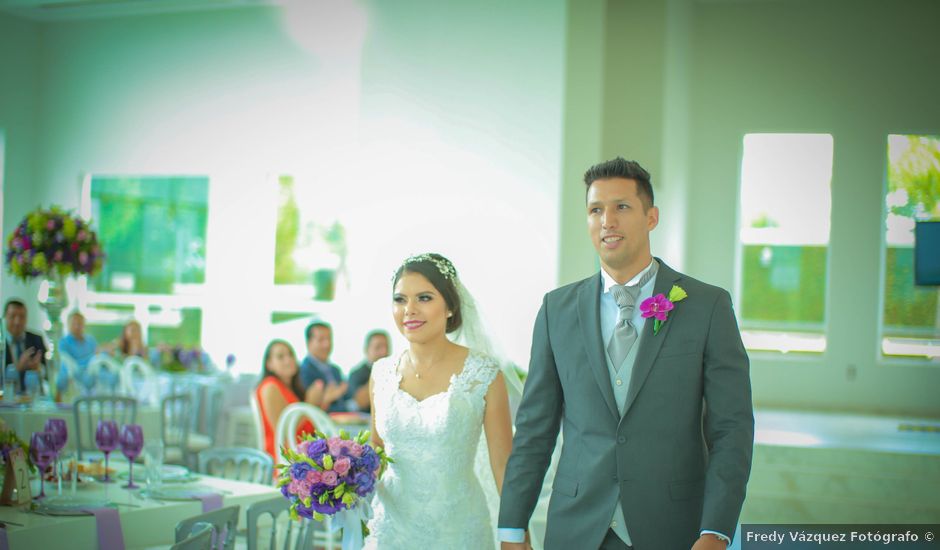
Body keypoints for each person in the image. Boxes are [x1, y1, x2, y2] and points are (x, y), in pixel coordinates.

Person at [498, 158, 754, 550]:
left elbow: (731, 430)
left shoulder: (707, 306)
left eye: (621, 207)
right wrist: (512, 529)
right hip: (576, 529)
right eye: (595, 209)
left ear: (651, 217)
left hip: (674, 530)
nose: (607, 221)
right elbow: (535, 431)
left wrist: (716, 530)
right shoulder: (556, 310)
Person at [365, 253, 515, 549]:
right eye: (400, 299)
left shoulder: (483, 373)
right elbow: (377, 450)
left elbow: (503, 465)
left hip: (458, 530)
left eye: (424, 297)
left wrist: (513, 533)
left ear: (450, 306)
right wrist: (338, 479)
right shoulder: (380, 372)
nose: (409, 310)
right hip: (391, 529)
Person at [255, 339, 317, 462]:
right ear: (269, 364)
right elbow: (282, 432)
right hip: (286, 460)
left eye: (290, 355)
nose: (288, 360)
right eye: (280, 357)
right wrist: (310, 403)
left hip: (302, 453)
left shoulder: (290, 389)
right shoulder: (270, 387)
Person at [298, 321, 351, 413]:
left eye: (329, 339)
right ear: (309, 343)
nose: (327, 344)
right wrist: (327, 399)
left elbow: (345, 400)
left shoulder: (335, 370)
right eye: (321, 340)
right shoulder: (302, 371)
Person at [3, 299, 47, 394]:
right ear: (5, 317)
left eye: (22, 317)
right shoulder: (1, 343)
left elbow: (47, 373)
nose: (17, 322)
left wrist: (38, 368)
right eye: (13, 316)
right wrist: (17, 368)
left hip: (32, 399)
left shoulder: (36, 339)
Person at [347, 330, 390, 413]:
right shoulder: (356, 374)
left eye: (386, 347)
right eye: (378, 347)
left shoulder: (395, 371)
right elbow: (359, 402)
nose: (383, 352)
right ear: (366, 350)